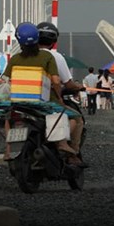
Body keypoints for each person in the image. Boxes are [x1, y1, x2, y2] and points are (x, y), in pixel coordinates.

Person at [2, 22, 83, 166]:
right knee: (73, 117)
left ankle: (9, 148)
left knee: (10, 117)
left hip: (19, 101)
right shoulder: (47, 57)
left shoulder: (14, 59)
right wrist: (59, 99)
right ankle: (62, 144)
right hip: (43, 101)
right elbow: (57, 81)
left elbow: (6, 81)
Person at [36, 22, 86, 155]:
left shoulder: (23, 56)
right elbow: (66, 83)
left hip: (22, 99)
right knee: (77, 118)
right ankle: (71, 152)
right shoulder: (55, 57)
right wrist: (79, 87)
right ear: (53, 41)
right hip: (48, 100)